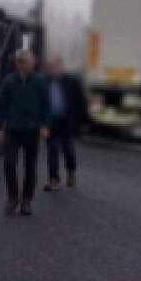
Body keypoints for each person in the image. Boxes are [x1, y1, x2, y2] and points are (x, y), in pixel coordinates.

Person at [0, 48, 50, 216]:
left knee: (30, 166)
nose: (33, 63)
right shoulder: (9, 81)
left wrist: (45, 125)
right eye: (29, 61)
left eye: (32, 60)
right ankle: (12, 197)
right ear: (20, 63)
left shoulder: (39, 81)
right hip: (12, 129)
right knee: (9, 163)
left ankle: (26, 200)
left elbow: (46, 105)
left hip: (32, 130)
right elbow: (1, 105)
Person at [43, 55, 87, 191]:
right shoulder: (43, 81)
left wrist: (82, 122)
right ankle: (53, 179)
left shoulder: (71, 80)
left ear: (60, 66)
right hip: (50, 121)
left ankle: (71, 172)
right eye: (49, 67)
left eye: (54, 66)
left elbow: (81, 102)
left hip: (67, 121)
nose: (51, 69)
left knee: (68, 149)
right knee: (52, 151)